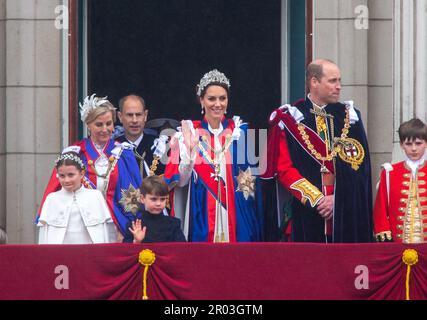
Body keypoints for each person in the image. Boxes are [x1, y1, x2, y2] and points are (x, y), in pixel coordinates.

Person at [263, 59, 373, 243]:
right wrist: (318, 200)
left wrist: (337, 199)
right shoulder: (291, 118)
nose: (338, 87)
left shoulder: (350, 116)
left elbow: (361, 168)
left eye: (339, 81)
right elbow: (284, 168)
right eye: (332, 81)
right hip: (306, 212)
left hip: (345, 211)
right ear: (314, 82)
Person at [164, 69, 263, 242]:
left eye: (222, 98)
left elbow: (250, 186)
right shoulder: (188, 133)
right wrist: (189, 153)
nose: (218, 104)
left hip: (235, 213)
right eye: (211, 99)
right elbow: (181, 181)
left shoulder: (240, 132)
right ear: (201, 100)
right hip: (200, 212)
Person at [37, 94, 142, 240]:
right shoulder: (74, 153)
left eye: (109, 123)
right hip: (81, 223)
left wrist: (128, 226)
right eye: (99, 124)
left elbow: (134, 193)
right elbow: (55, 188)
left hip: (115, 223)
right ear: (88, 125)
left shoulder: (124, 153)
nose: (105, 129)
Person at [37, 152, 114, 244]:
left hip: (89, 253)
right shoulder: (52, 199)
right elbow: (44, 235)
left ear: (81, 174)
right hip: (60, 254)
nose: (66, 180)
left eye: (71, 175)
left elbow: (106, 232)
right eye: (62, 176)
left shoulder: (95, 196)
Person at [373, 119, 427, 243]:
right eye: (409, 144)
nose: (414, 149)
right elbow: (380, 209)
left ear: (426, 143)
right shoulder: (389, 172)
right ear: (402, 145)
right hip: (398, 244)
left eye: (418, 143)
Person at [116, 95, 167, 178]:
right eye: (129, 115)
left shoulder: (159, 147)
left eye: (138, 114)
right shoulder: (113, 148)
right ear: (120, 116)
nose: (134, 120)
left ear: (145, 115)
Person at [123, 175, 186, 243]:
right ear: (142, 199)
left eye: (162, 199)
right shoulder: (133, 226)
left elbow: (183, 250)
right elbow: (126, 252)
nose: (158, 203)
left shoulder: (173, 224)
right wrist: (136, 241)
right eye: (154, 199)